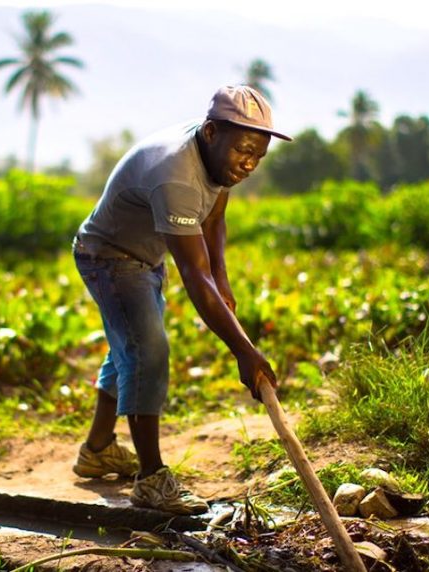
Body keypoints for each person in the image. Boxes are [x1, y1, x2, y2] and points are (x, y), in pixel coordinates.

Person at [70, 85, 290, 515]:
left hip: (145, 255)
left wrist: (222, 279)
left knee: (129, 349)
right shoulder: (176, 172)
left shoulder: (218, 158)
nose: (249, 164)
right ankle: (151, 479)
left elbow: (215, 217)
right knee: (147, 352)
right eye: (244, 151)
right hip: (109, 256)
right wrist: (244, 351)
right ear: (211, 132)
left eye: (258, 156)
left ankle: (97, 450)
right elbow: (193, 274)